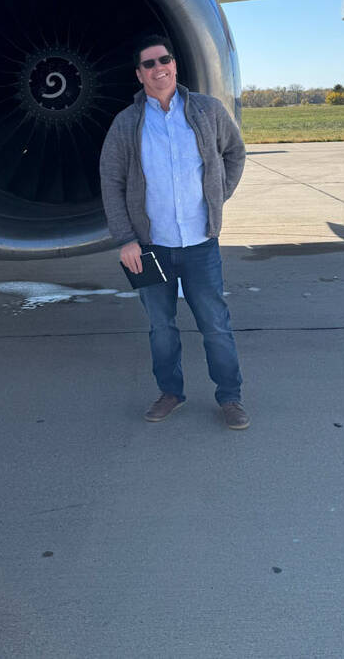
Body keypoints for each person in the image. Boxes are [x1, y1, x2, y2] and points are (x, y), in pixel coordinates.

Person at [99, 34, 249, 429]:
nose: (158, 68)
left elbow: (234, 152)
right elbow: (110, 180)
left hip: (201, 245)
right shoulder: (128, 123)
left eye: (163, 60)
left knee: (216, 326)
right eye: (148, 64)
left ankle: (230, 398)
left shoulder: (207, 111)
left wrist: (218, 196)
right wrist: (125, 239)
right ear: (139, 74)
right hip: (150, 249)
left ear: (175, 65)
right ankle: (170, 392)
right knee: (161, 328)